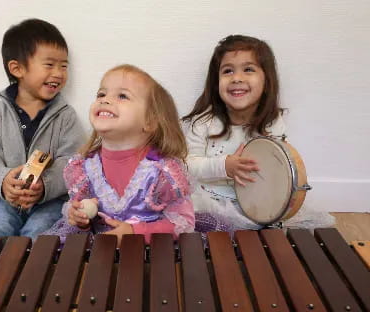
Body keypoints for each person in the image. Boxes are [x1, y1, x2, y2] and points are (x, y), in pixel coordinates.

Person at [182, 35, 335, 231]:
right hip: (209, 201)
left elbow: (276, 169)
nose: (237, 78)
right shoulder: (204, 122)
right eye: (228, 71)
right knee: (207, 225)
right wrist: (224, 166)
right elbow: (186, 166)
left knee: (289, 228)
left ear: (266, 81)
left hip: (256, 205)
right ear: (216, 82)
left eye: (248, 69)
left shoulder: (272, 123)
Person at [43, 64, 194, 245]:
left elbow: (184, 223)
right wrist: (79, 217)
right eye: (101, 94)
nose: (105, 100)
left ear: (150, 121)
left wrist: (135, 232)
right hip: (101, 250)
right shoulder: (84, 167)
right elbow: (80, 211)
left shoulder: (162, 172)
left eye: (122, 96)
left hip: (151, 252)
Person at [0, 19, 85, 248]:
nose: (59, 73)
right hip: (7, 200)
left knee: (38, 233)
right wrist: (3, 181)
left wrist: (46, 185)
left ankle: (26, 276)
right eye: (50, 64)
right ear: (17, 69)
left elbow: (73, 161)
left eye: (64, 66)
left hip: (50, 200)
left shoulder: (66, 116)